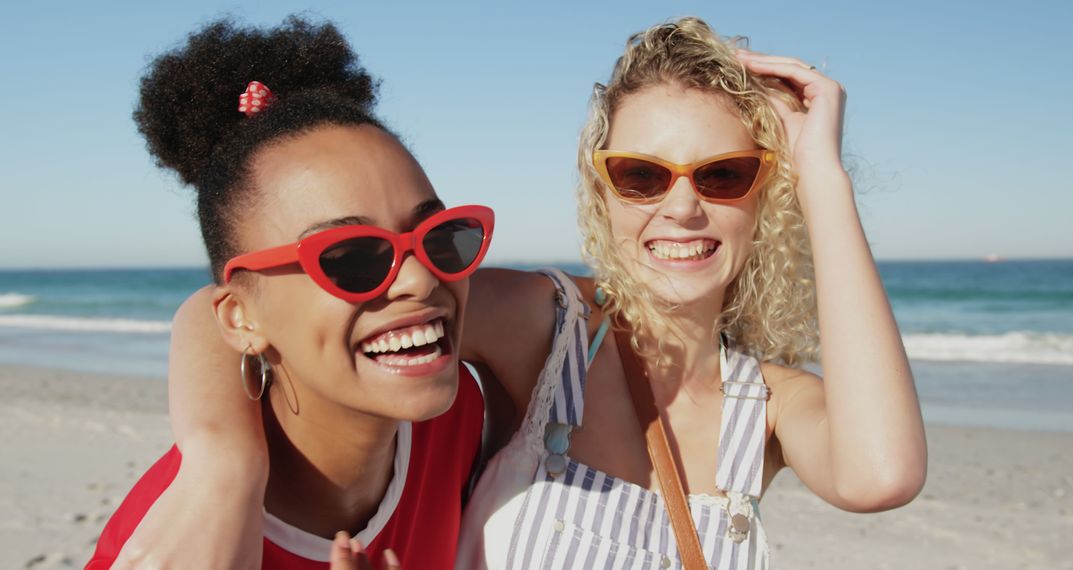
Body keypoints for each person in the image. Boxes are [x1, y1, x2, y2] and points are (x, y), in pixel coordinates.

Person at [113, 17, 927, 569]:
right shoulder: (548, 327)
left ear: (763, 193)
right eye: (641, 176)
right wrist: (224, 461)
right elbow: (240, 311)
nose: (682, 206)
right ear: (600, 190)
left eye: (724, 175)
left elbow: (882, 474)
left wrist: (821, 174)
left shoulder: (769, 407)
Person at [86, 18, 494, 570]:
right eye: (351, 257)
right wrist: (225, 464)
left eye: (442, 237)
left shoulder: (459, 412)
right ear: (240, 318)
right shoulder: (181, 546)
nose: (421, 279)